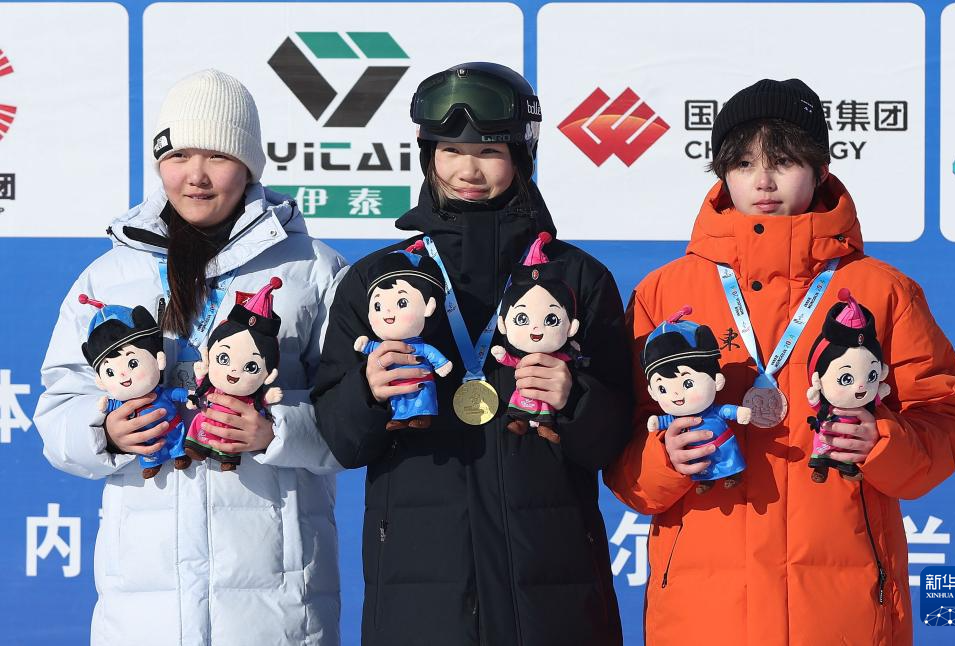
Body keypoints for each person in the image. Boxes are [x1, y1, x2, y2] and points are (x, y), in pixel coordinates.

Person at [604, 78, 955, 644]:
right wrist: (664, 457)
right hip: (703, 615)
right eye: (744, 163)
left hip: (845, 612)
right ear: (721, 173)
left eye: (784, 161)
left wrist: (881, 440)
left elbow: (943, 420)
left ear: (821, 169)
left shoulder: (884, 292)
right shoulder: (663, 293)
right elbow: (618, 445)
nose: (764, 181)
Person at [312, 62, 631, 646]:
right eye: (450, 150)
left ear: (522, 155)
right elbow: (343, 441)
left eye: (488, 150)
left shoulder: (578, 278)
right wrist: (367, 393)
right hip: (419, 593)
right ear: (427, 154)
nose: (468, 170)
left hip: (550, 591)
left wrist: (575, 398)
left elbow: (616, 443)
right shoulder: (378, 281)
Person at [34, 69, 346, 646]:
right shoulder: (108, 278)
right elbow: (58, 410)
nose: (195, 175)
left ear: (249, 166)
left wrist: (275, 429)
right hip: (144, 607)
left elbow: (354, 418)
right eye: (177, 155)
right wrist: (106, 430)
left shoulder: (312, 270)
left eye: (217, 156)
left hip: (276, 606)